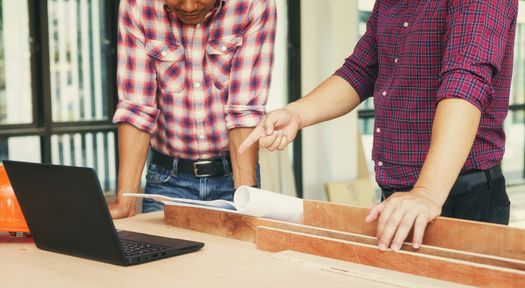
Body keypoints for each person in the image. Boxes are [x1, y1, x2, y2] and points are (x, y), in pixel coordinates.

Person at [239, 0, 518, 251]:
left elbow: (465, 83)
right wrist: (296, 114)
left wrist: (427, 192)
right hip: (400, 199)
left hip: (461, 198)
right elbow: (361, 69)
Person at [109, 0, 276, 219]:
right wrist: (125, 202)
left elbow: (243, 111)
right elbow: (136, 109)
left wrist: (245, 201)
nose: (188, 7)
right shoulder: (137, 5)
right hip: (167, 180)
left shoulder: (253, 4)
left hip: (232, 177)